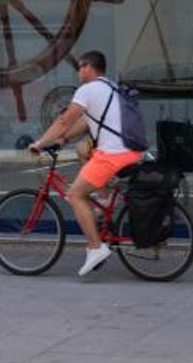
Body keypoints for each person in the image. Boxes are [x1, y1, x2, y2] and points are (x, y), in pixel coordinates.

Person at [29, 50, 143, 276]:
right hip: (130, 151)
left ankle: (96, 247)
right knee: (84, 151)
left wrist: (41, 143)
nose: (79, 71)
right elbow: (84, 121)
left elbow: (64, 120)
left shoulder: (88, 90)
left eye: (80, 67)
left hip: (113, 154)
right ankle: (104, 199)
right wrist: (63, 139)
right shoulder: (110, 87)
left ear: (89, 67)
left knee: (75, 194)